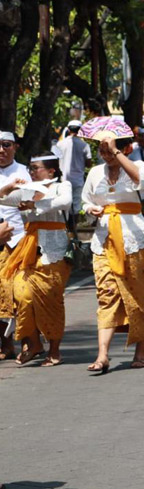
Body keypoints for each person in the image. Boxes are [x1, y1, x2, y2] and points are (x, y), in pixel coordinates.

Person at [82, 127, 144, 372]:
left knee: (137, 296)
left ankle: (140, 350)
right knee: (106, 294)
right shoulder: (94, 173)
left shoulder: (137, 166)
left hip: (134, 240)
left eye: (110, 149)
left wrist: (117, 153)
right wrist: (89, 209)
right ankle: (102, 355)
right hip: (104, 239)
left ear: (125, 148)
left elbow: (141, 182)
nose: (106, 154)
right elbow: (86, 200)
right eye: (102, 150)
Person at [0, 153, 71, 366]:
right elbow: (2, 198)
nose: (31, 172)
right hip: (29, 249)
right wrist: (11, 185)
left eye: (36, 168)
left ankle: (54, 350)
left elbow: (65, 202)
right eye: (30, 168)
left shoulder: (61, 186)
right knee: (20, 294)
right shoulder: (27, 191)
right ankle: (34, 342)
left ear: (51, 171)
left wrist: (34, 206)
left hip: (54, 251)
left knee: (50, 301)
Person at [0, 131, 31, 362]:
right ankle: (6, 344)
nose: (1, 150)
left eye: (6, 145)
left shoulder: (24, 172)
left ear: (15, 147)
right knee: (1, 294)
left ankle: (29, 342)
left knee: (23, 293)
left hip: (20, 238)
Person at [55, 120, 92, 214]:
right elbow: (89, 163)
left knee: (64, 206)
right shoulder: (84, 145)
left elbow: (55, 161)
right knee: (76, 206)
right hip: (78, 179)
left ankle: (67, 227)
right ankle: (74, 227)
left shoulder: (59, 144)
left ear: (68, 129)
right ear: (80, 130)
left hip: (63, 179)